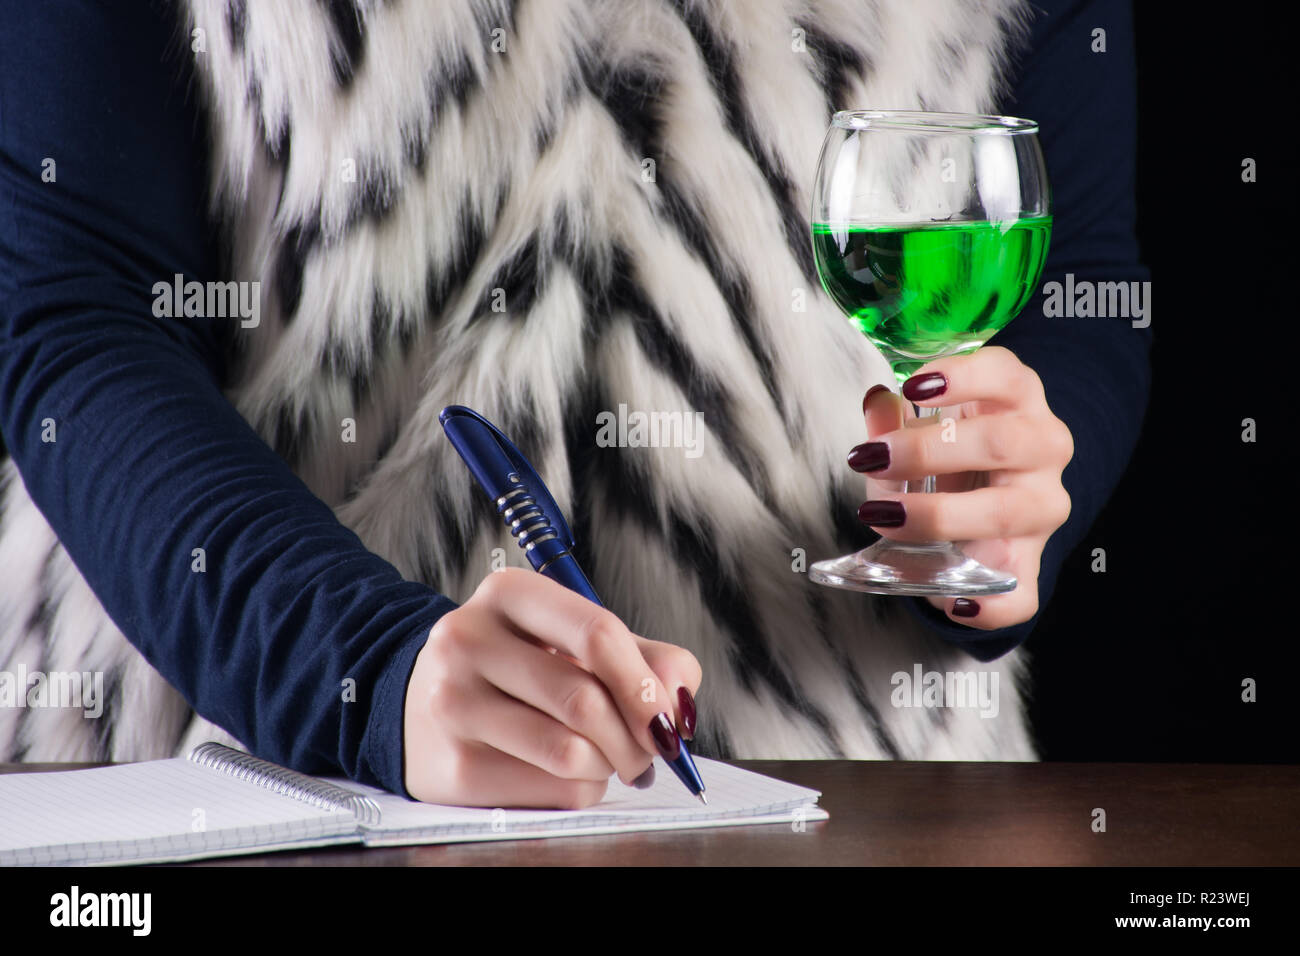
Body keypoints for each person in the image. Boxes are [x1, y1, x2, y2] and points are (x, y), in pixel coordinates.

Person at [0, 0, 1149, 808]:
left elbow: (1084, 278)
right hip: (241, 769)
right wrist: (364, 670)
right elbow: (75, 311)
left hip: (852, 792)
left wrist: (1008, 488)